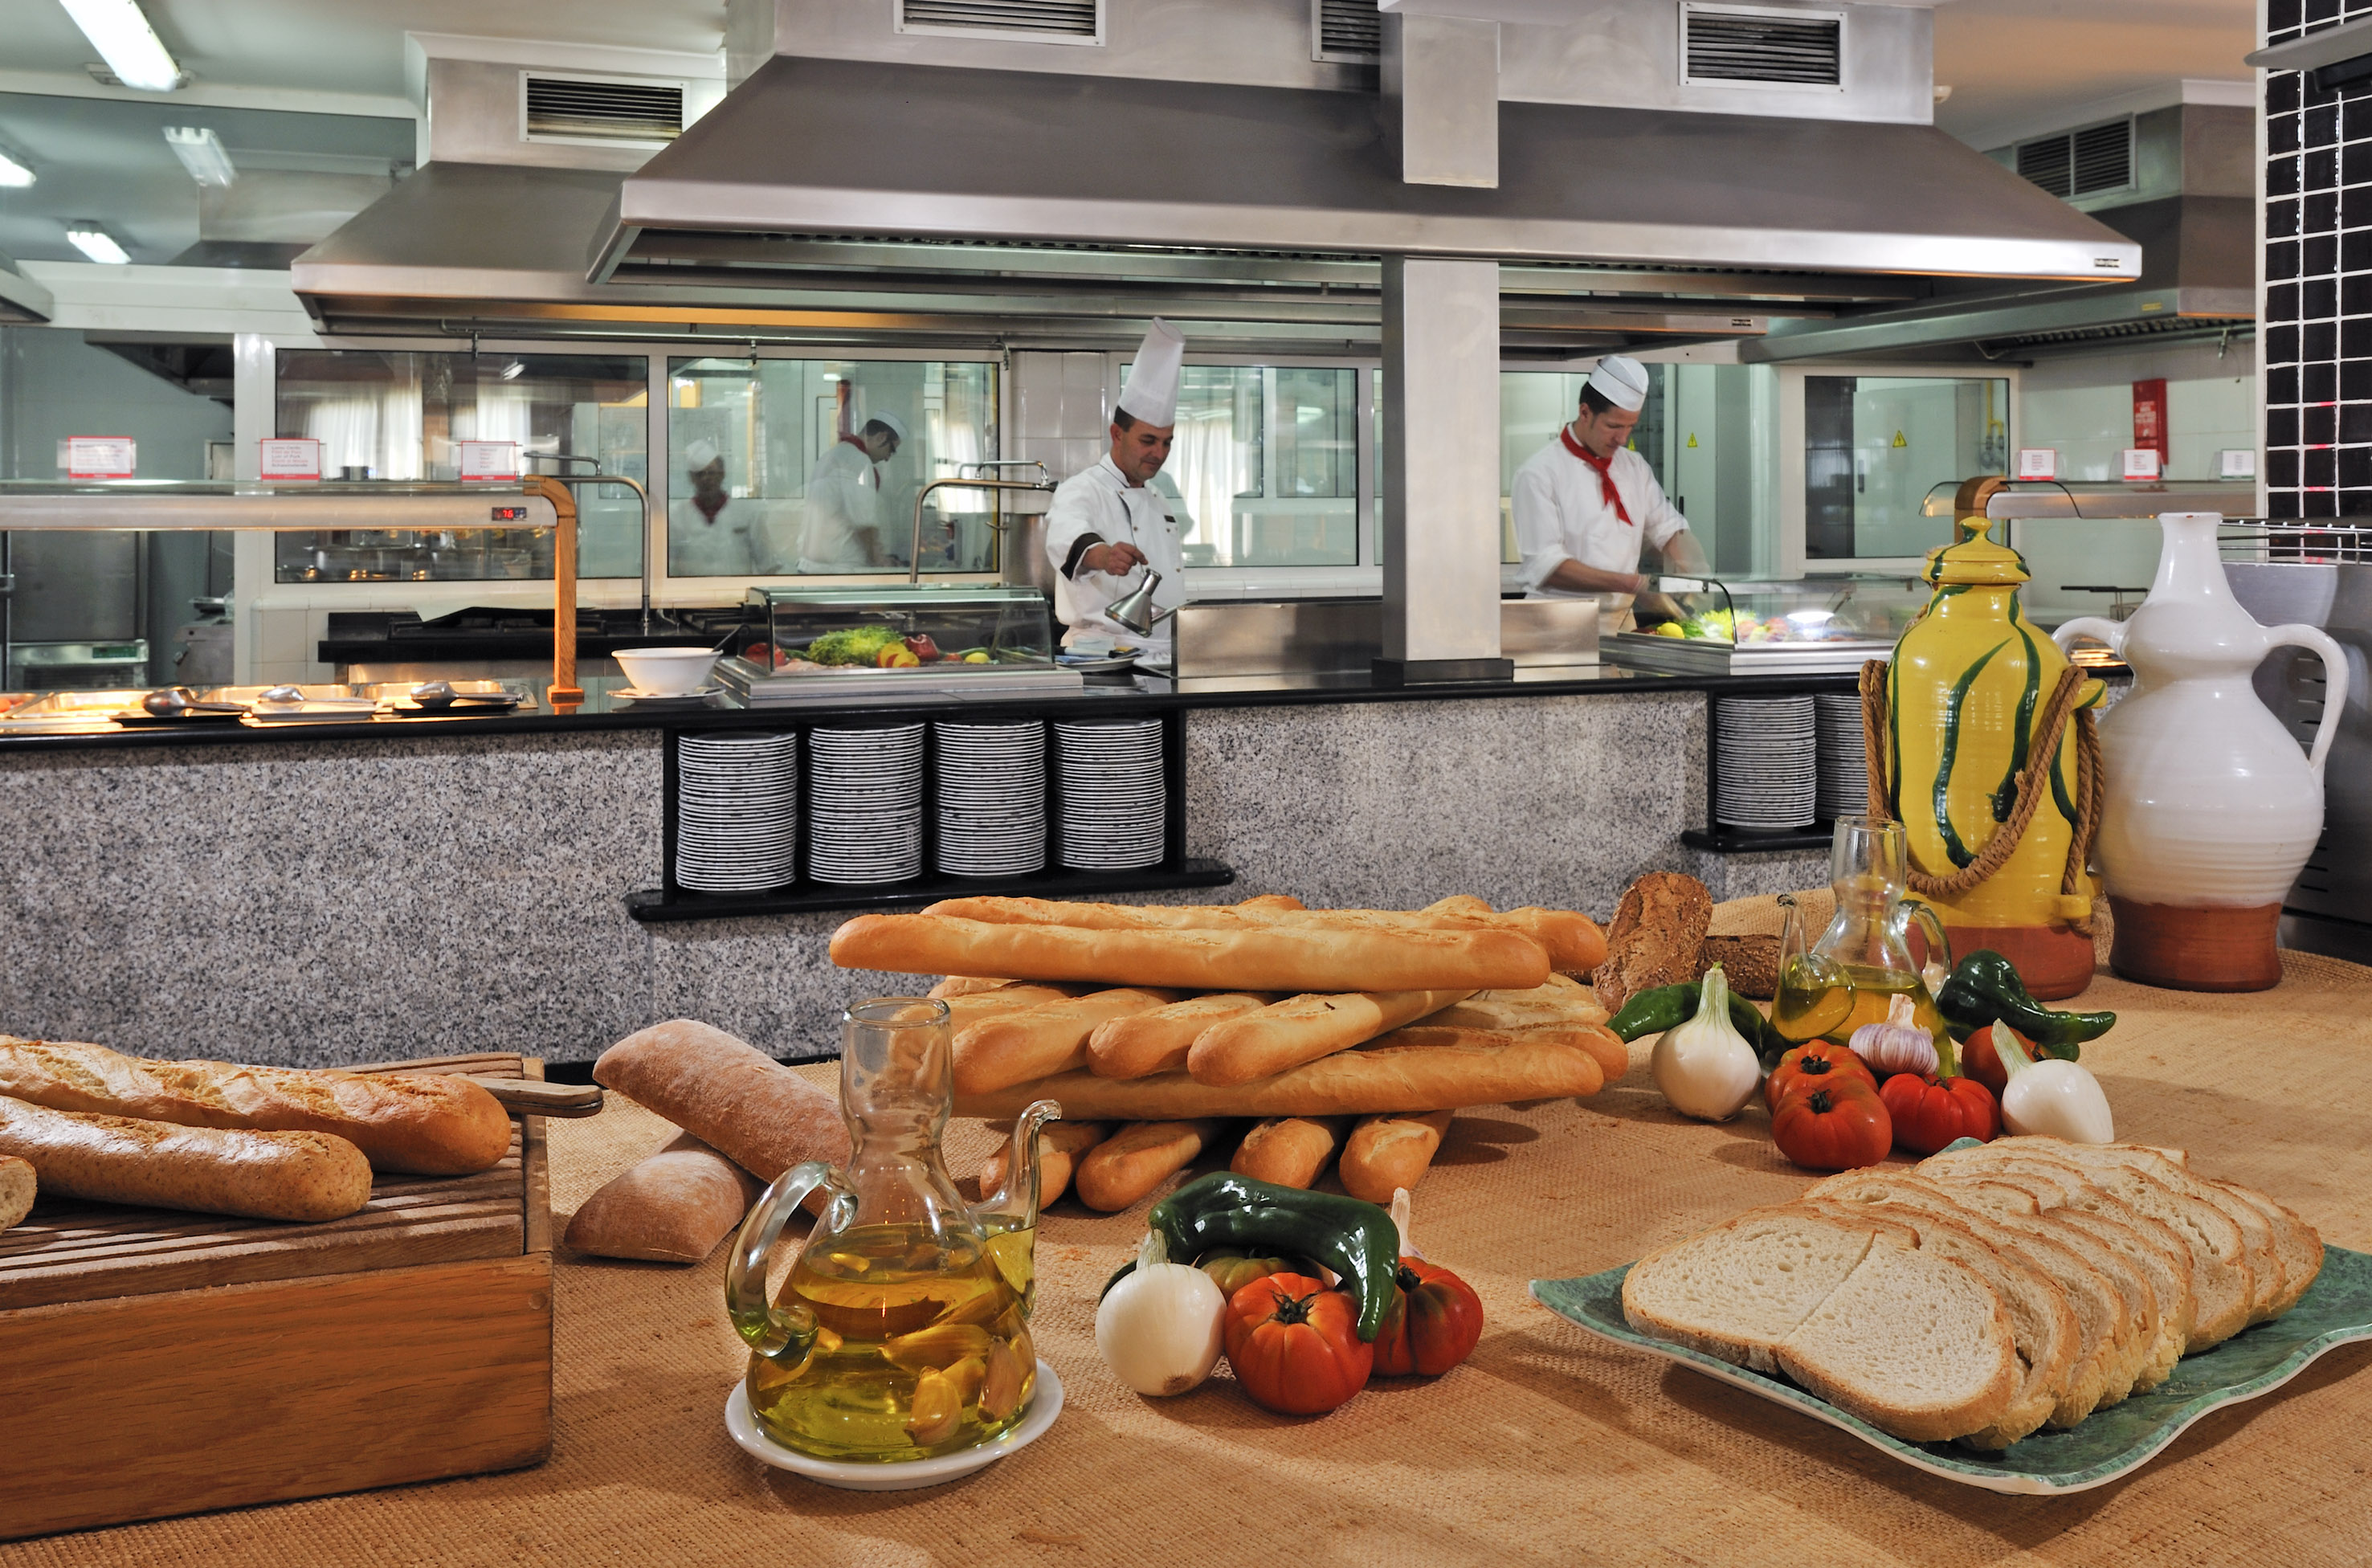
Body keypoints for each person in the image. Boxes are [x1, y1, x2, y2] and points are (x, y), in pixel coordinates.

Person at [1509, 354, 1710, 631]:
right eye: (1614, 426)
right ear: (1585, 413)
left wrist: (1699, 576)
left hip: (1621, 625)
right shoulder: (1538, 474)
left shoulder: (1634, 467)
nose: (1623, 438)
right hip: (1558, 629)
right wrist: (1633, 583)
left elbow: (1670, 529)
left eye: (1630, 426)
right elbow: (1547, 566)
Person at [1043, 319, 1187, 652]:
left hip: (1160, 655)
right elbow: (1065, 536)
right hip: (1103, 656)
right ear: (1117, 434)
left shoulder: (1157, 498)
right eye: (1148, 440)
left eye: (1167, 443)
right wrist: (1103, 555)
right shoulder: (1082, 489)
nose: (1159, 453)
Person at [798, 411, 908, 573]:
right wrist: (880, 560)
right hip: (840, 569)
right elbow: (864, 523)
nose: (887, 458)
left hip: (813, 565)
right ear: (882, 437)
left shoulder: (834, 454)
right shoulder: (860, 461)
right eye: (891, 450)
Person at [666, 438, 774, 577]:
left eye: (711, 473)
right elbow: (658, 565)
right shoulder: (675, 516)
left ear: (722, 474)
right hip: (690, 594)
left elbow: (769, 565)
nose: (706, 479)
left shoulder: (748, 513)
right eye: (700, 474)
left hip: (740, 594)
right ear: (691, 478)